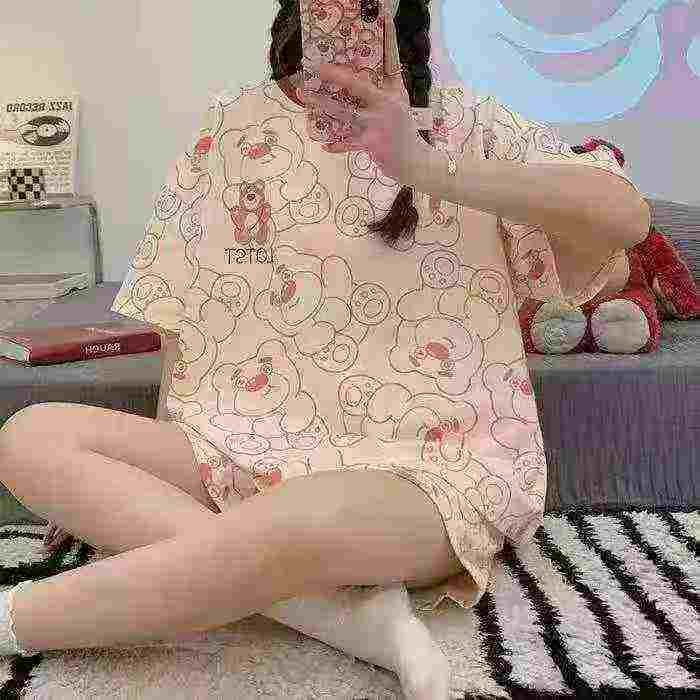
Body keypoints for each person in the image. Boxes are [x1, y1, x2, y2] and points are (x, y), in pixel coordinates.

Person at [0, 0, 650, 698]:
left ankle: (19, 620)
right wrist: (144, 487)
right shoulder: (232, 127)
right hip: (240, 445)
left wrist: (423, 165)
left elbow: (625, 218)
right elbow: (184, 314)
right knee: (31, 437)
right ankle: (342, 619)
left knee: (300, 518)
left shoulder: (465, 123)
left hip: (427, 466)